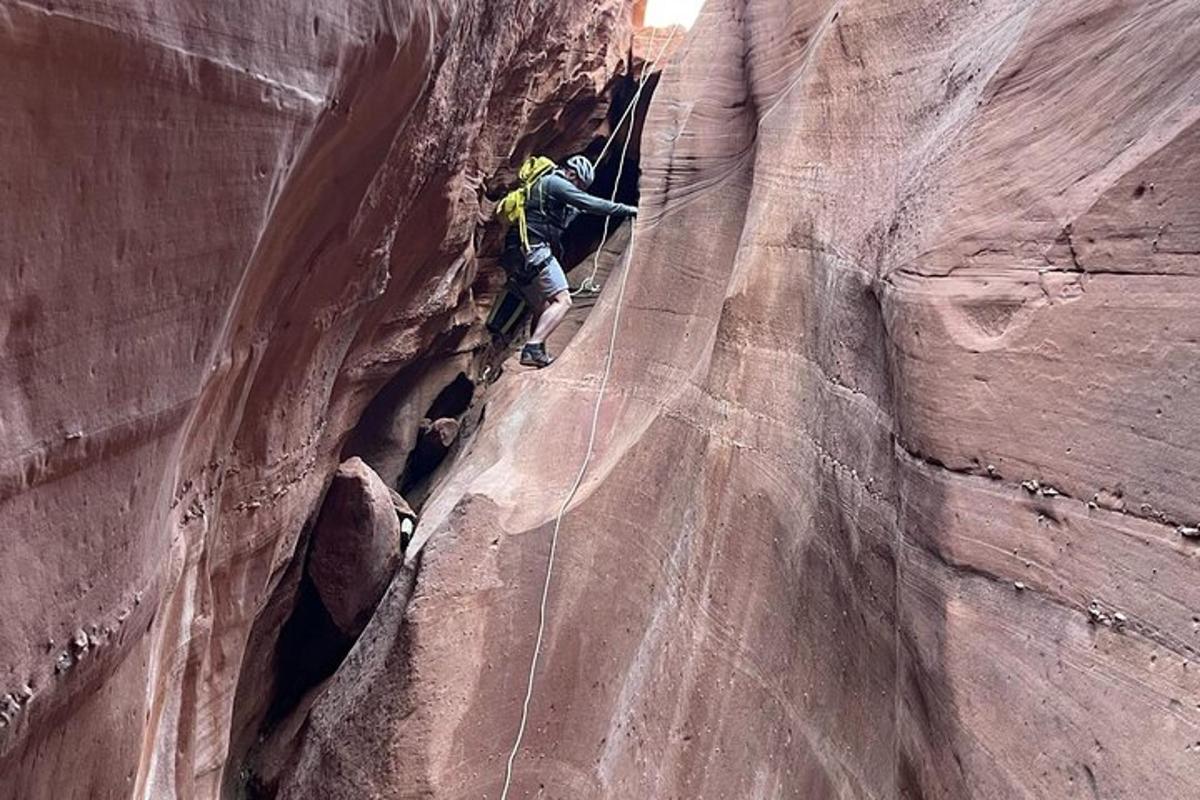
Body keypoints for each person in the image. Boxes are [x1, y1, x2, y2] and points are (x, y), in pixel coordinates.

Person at [501, 154, 637, 368]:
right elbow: (590, 203)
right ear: (572, 174)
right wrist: (626, 209)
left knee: (543, 306)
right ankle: (533, 347)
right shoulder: (555, 182)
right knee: (563, 300)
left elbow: (568, 211)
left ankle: (537, 350)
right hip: (534, 249)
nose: (578, 189)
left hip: (517, 252)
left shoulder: (545, 188)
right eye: (578, 185)